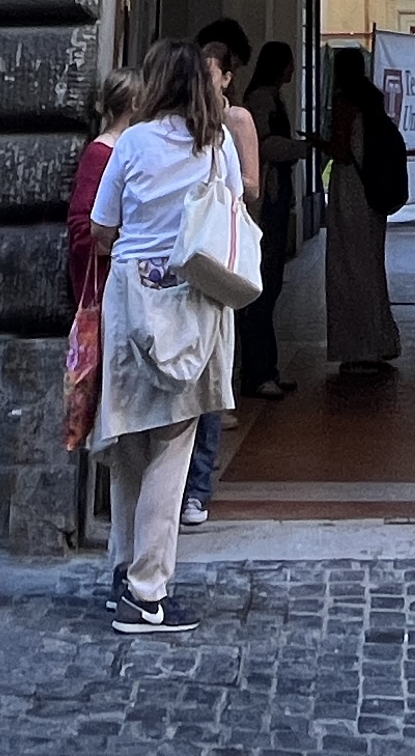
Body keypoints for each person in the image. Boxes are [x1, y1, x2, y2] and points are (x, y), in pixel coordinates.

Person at [88, 38, 247, 633]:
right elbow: (233, 212)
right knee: (172, 448)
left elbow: (101, 228)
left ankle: (123, 572)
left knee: (130, 444)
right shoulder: (217, 144)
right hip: (193, 304)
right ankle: (146, 591)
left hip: (132, 298)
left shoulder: (131, 143)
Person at [181, 22, 266, 518]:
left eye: (209, 73)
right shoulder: (168, 127)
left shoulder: (234, 123)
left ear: (226, 78)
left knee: (211, 367)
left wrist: (214, 193)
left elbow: (249, 187)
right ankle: (183, 484)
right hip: (176, 262)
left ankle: (196, 486)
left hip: (215, 252)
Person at [66, 71, 140, 484]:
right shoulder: (101, 154)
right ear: (135, 105)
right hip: (108, 289)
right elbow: (83, 228)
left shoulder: (127, 149)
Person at [318, 46, 405, 377]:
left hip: (350, 188)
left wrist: (316, 143)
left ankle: (357, 348)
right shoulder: (373, 100)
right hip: (372, 189)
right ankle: (379, 340)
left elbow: (341, 151)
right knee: (370, 265)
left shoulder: (344, 102)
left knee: (347, 268)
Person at [238, 38, 300, 400]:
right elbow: (266, 145)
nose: (293, 68)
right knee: (263, 285)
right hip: (267, 202)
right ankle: (258, 370)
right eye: (289, 62)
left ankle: (266, 367)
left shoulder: (270, 97)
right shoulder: (263, 100)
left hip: (275, 198)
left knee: (270, 284)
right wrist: (301, 149)